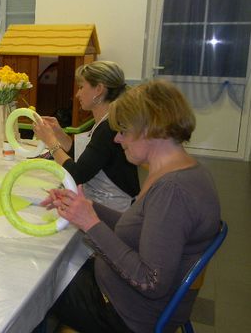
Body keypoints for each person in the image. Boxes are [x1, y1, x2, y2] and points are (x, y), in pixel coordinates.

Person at [39, 80, 221, 333]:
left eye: (123, 130)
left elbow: (150, 281)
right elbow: (138, 228)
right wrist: (86, 207)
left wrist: (90, 223)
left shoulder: (172, 192)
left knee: (36, 285)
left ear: (149, 130)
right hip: (122, 296)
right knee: (52, 268)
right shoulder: (181, 170)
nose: (117, 138)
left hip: (127, 315)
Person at [32, 61, 139, 211]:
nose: (77, 94)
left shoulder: (108, 128)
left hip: (114, 211)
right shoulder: (104, 121)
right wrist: (58, 133)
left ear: (99, 89)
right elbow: (87, 157)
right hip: (101, 203)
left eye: (81, 87)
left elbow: (77, 174)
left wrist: (50, 141)